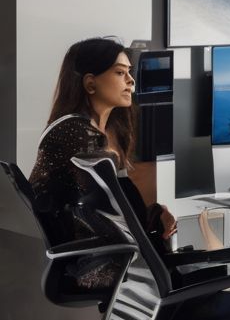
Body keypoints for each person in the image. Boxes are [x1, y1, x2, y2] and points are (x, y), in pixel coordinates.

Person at [30, 37, 177, 290]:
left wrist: (153, 213)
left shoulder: (96, 131)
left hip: (104, 253)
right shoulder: (79, 133)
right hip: (98, 262)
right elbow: (113, 214)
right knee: (191, 277)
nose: (131, 81)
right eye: (120, 73)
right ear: (90, 83)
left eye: (130, 72)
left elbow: (114, 205)